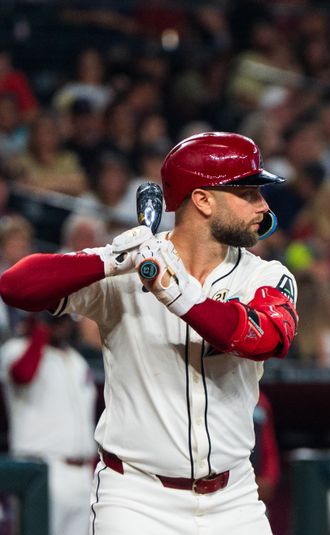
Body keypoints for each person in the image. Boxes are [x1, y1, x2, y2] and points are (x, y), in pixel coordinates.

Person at [0, 131, 299, 534]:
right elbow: (15, 287)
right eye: (247, 192)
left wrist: (180, 296)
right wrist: (110, 258)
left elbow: (266, 339)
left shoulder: (265, 275)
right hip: (137, 498)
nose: (262, 206)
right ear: (203, 199)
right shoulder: (130, 266)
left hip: (234, 498)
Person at [0, 313, 97, 535]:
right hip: (41, 471)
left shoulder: (77, 360)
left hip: (82, 476)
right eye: (56, 319)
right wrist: (41, 329)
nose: (61, 325)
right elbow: (23, 374)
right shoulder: (17, 349)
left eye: (64, 320)